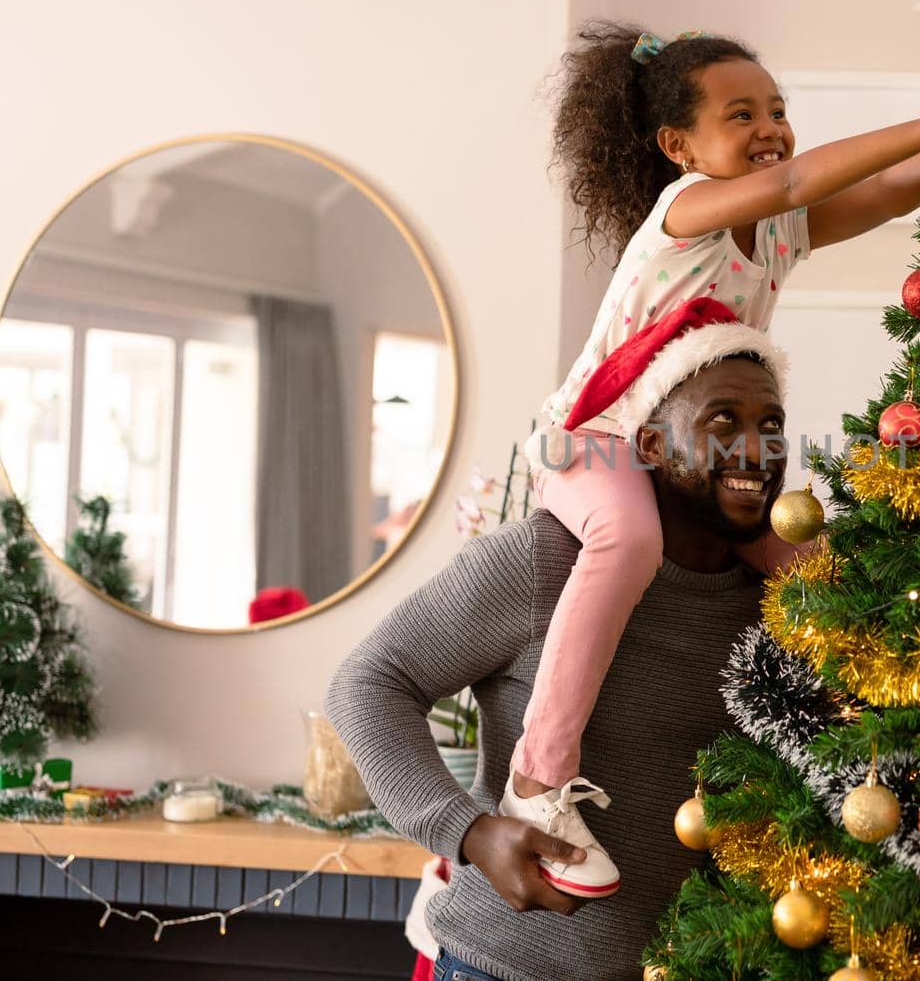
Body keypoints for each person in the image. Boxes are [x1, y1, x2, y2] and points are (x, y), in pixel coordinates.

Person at [516, 21, 920, 895]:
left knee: (809, 566)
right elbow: (802, 174)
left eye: (777, 109)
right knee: (628, 541)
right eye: (742, 115)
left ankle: (863, 762)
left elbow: (884, 195)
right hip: (597, 440)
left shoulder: (777, 230)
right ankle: (538, 778)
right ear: (680, 145)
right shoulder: (684, 210)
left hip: (691, 462)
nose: (770, 128)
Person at [326, 312, 793, 981]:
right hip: (508, 970)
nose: (756, 448)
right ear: (653, 444)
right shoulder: (547, 558)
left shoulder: (781, 602)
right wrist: (470, 832)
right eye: (723, 420)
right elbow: (369, 681)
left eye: (772, 424)